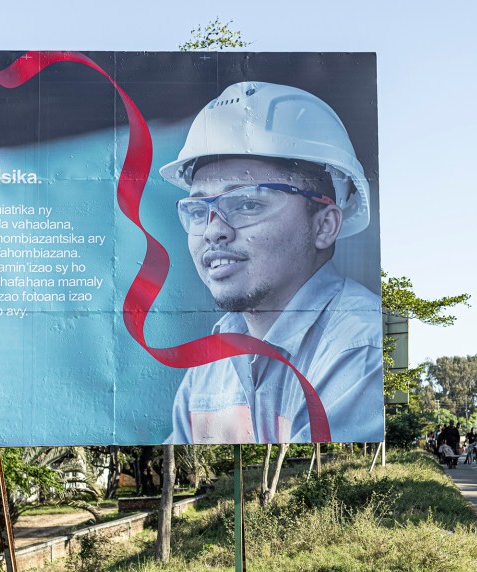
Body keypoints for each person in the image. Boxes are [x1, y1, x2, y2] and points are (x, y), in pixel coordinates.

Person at [161, 82, 382, 444]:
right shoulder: (209, 371)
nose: (214, 231)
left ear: (324, 225)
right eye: (200, 210)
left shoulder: (359, 351)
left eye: (248, 204)